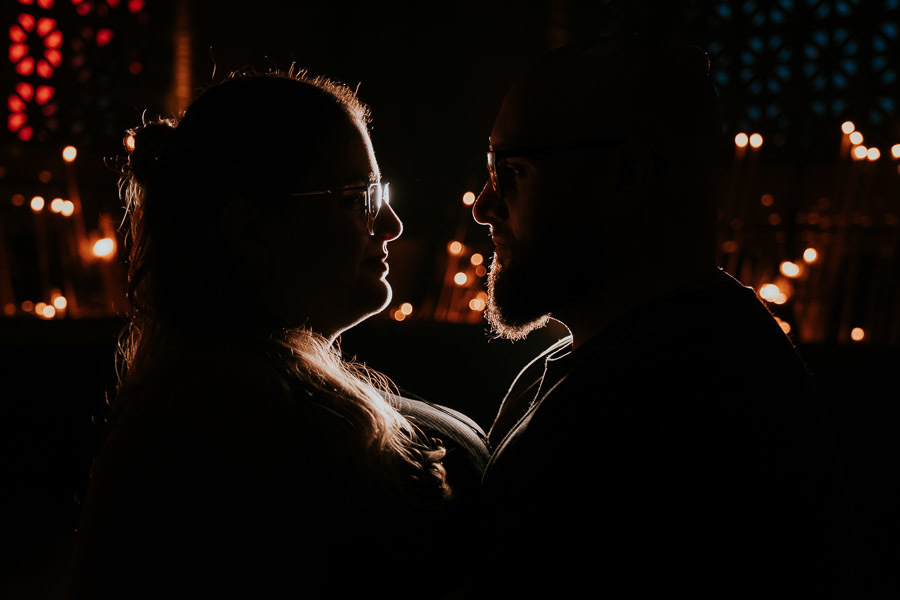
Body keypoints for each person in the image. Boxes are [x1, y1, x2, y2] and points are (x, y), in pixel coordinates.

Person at [69, 70, 488, 598]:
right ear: (250, 230)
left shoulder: (218, 396)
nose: (390, 224)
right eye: (354, 197)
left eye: (379, 191)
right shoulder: (223, 434)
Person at [468, 35, 857, 598]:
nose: (483, 203)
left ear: (626, 174)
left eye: (513, 169)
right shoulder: (591, 360)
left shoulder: (679, 400)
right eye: (490, 166)